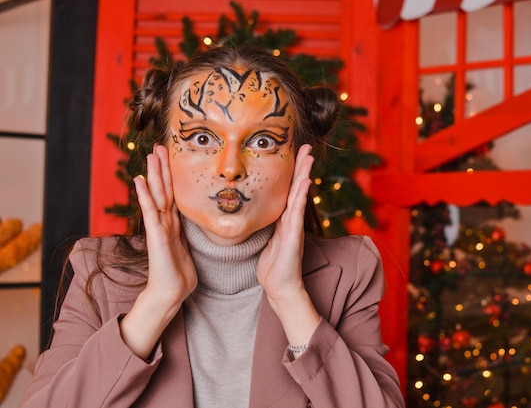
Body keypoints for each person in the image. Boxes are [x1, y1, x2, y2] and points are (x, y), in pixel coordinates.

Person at [20, 44, 405, 408]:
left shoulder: (351, 270)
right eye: (202, 138)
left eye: (264, 141)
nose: (230, 168)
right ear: (163, 156)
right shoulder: (99, 269)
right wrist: (157, 303)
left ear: (299, 160)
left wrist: (290, 298)